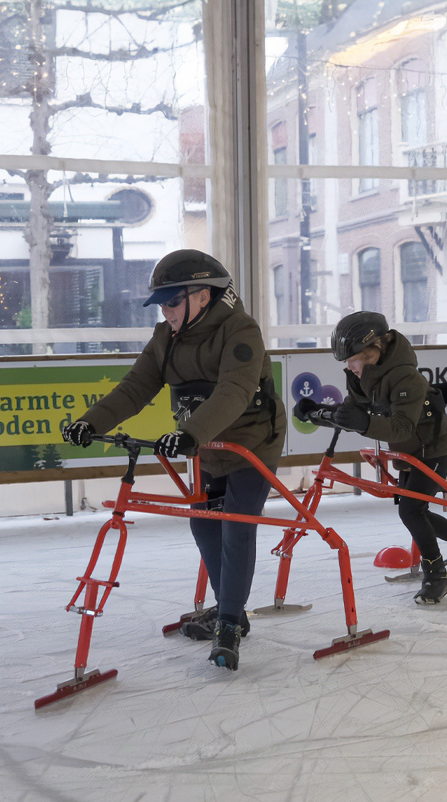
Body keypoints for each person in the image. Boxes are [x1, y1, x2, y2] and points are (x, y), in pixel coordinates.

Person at [60, 250, 285, 671]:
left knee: (237, 525)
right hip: (202, 446)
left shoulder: (241, 331)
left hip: (250, 443)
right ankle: (227, 609)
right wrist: (90, 423)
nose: (165, 312)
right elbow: (134, 388)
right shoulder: (167, 337)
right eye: (160, 304)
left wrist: (189, 434)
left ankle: (230, 623)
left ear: (202, 296)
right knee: (203, 522)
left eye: (171, 302)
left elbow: (234, 393)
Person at [297, 311, 447, 605]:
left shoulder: (407, 378)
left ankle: (437, 575)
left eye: (353, 360)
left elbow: (402, 426)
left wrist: (363, 423)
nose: (349, 368)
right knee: (416, 510)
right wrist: (317, 414)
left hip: (435, 449)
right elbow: (351, 415)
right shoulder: (362, 377)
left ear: (373, 350)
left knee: (411, 511)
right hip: (409, 451)